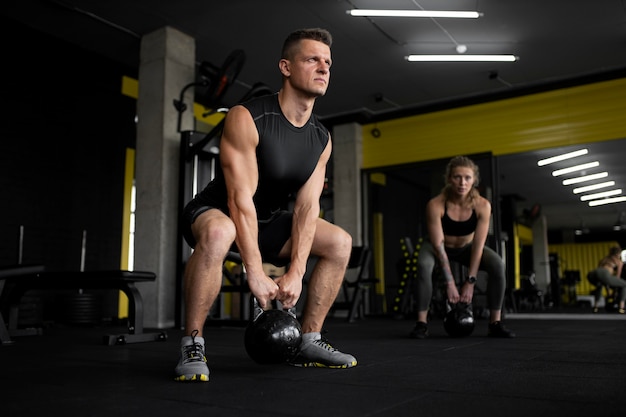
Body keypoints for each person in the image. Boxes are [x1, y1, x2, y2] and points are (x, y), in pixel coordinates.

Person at [175, 28, 356, 382]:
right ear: (286, 67)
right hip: (216, 212)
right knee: (219, 229)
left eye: (328, 63)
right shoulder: (248, 117)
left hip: (269, 221)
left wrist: (297, 273)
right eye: (312, 59)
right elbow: (238, 200)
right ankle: (192, 343)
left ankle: (309, 339)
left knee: (339, 242)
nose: (323, 68)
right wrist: (255, 272)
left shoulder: (321, 138)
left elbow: (306, 209)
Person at [409, 156, 515, 339]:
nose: (462, 183)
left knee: (498, 264)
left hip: (467, 248)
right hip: (437, 247)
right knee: (423, 266)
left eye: (467, 178)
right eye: (457, 177)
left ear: (474, 180)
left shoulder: (482, 205)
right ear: (449, 178)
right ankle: (421, 323)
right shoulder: (436, 205)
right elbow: (438, 244)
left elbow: (478, 245)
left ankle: (495, 323)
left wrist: (471, 281)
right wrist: (449, 282)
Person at [589, 246, 625, 314]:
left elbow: (603, 279)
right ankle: (621, 308)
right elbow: (617, 277)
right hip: (605, 274)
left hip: (593, 273)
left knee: (599, 285)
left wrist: (609, 293)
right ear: (618, 254)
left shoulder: (604, 259)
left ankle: (595, 307)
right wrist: (614, 292)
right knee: (624, 284)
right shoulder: (619, 262)